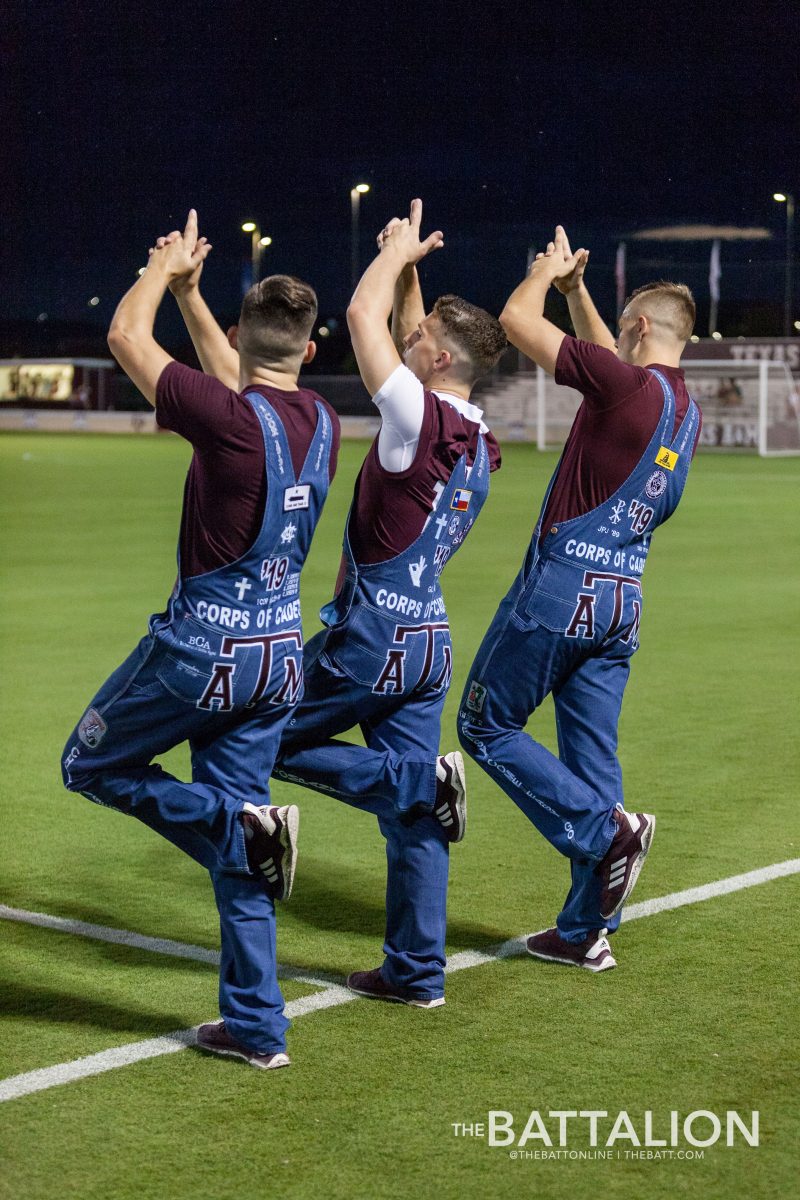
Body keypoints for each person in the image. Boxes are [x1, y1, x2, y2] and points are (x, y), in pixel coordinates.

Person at [172, 199, 507, 1008]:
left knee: (259, 738)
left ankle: (411, 785)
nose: (406, 334)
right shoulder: (476, 438)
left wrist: (389, 253)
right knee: (414, 821)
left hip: (374, 636)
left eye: (419, 338)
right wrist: (415, 270)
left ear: (436, 360)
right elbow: (405, 323)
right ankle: (417, 973)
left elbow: (361, 312)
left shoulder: (410, 418)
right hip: (429, 638)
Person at [61, 210, 340, 1070]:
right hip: (278, 659)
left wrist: (160, 268)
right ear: (310, 349)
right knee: (250, 827)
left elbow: (121, 334)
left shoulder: (225, 422)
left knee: (92, 765)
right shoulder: (320, 418)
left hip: (204, 653)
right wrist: (192, 295)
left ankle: (232, 829)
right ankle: (258, 1029)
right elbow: (243, 376)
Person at [457, 226, 701, 972]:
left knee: (484, 724)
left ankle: (605, 835)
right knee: (594, 759)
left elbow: (516, 323)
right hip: (622, 600)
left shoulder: (626, 387)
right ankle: (586, 928)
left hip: (562, 589)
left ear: (637, 329)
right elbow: (609, 363)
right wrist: (581, 294)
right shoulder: (679, 410)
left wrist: (543, 275)